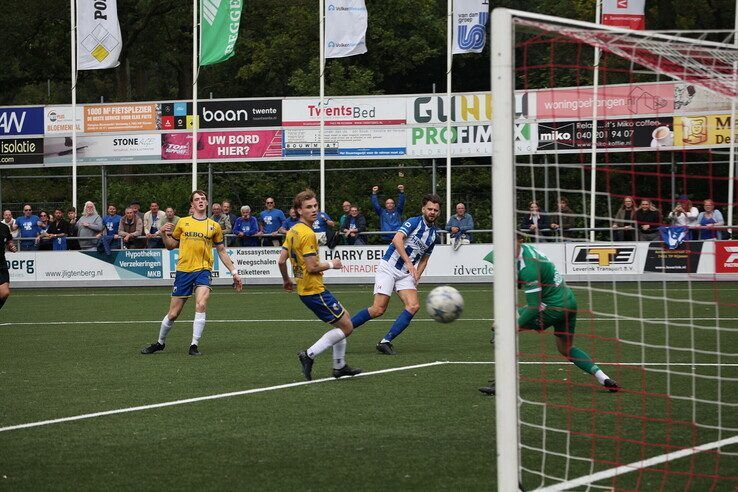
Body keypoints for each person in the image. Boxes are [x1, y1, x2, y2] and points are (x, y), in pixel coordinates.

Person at [479, 238, 620, 396]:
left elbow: (533, 307)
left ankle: (502, 384)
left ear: (517, 242)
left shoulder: (528, 269)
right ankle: (604, 378)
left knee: (505, 334)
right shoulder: (525, 250)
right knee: (565, 348)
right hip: (569, 302)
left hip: (552, 308)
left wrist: (509, 326)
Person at [140, 190, 243, 356]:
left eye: (203, 198)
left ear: (207, 203)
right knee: (173, 314)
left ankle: (193, 345)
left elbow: (222, 251)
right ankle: (160, 343)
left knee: (201, 304)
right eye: (197, 199)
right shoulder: (183, 223)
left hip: (203, 270)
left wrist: (234, 272)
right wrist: (164, 234)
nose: (201, 201)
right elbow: (170, 245)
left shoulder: (214, 226)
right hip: (183, 271)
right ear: (192, 205)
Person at [278, 189, 362, 380]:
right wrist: (333, 264)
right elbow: (313, 266)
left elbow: (281, 260)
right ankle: (309, 354)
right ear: (299, 210)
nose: (314, 210)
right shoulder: (307, 234)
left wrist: (286, 280)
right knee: (347, 328)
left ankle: (339, 367)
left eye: (315, 206)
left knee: (345, 318)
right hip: (313, 290)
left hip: (306, 289)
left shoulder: (292, 231)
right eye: (308, 207)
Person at [349, 194, 442, 355]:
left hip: (406, 274)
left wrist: (417, 276)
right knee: (378, 309)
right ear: (423, 209)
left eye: (435, 210)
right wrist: (408, 263)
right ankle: (345, 327)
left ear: (438, 212)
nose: (432, 212)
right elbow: (397, 240)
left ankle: (385, 341)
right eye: (430, 209)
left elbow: (425, 259)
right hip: (389, 267)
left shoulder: (434, 235)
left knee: (413, 306)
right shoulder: (413, 222)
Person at [0, 218, 18, 313]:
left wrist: (11, 246)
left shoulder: (4, 227)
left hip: (1, 263)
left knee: (5, 292)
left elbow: (9, 241)